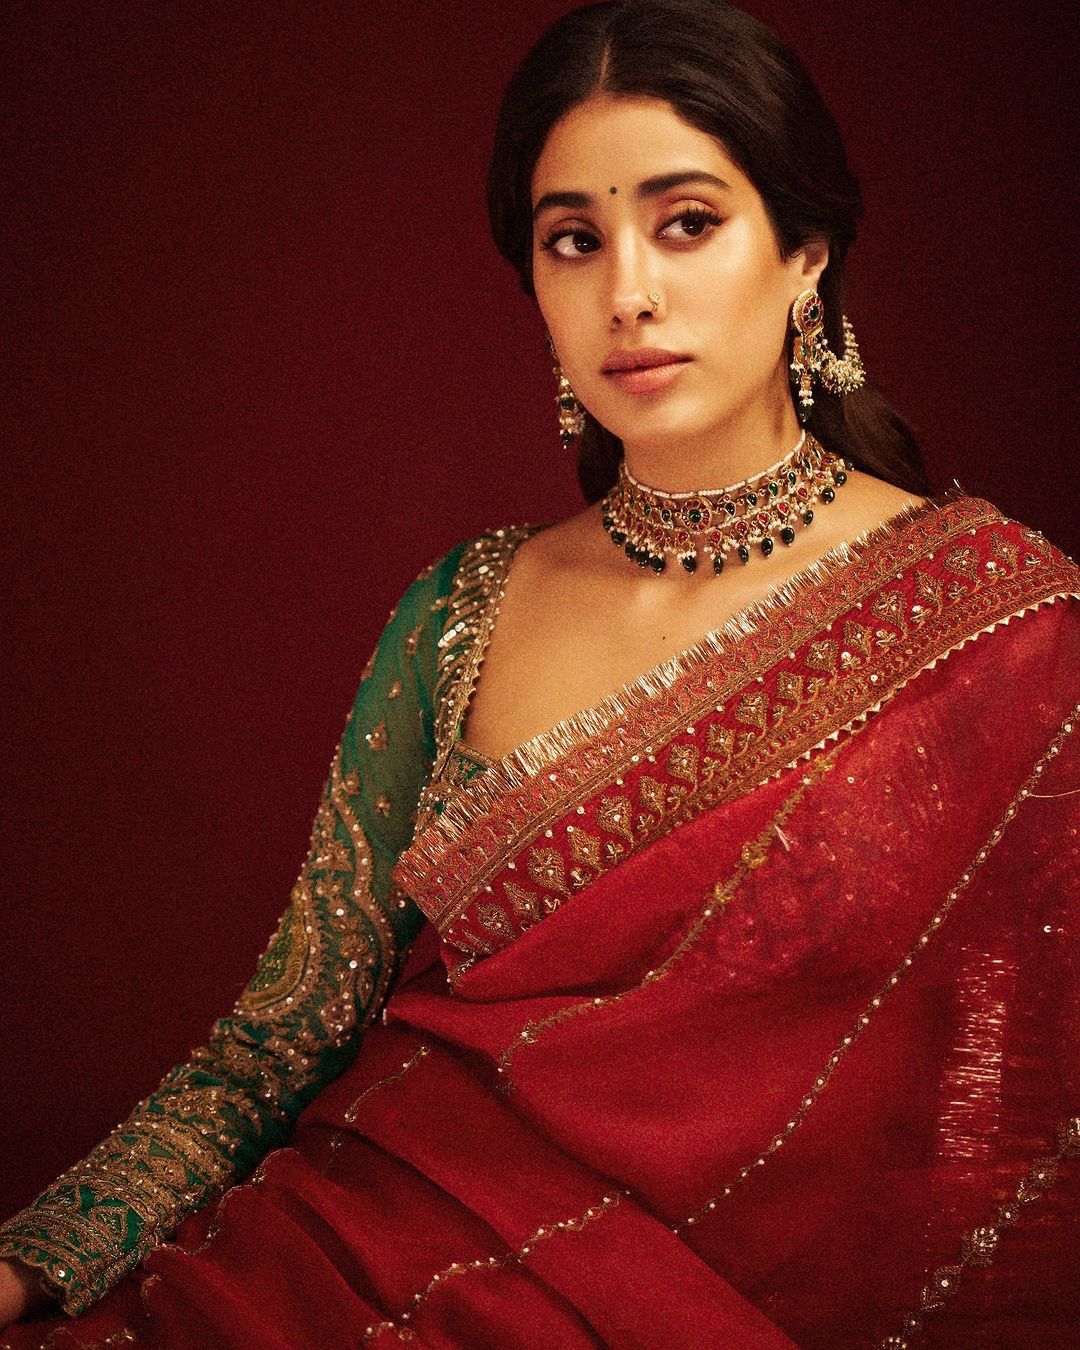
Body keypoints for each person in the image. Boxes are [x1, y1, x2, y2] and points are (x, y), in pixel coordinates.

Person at [2, 1, 1076, 1345]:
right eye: (574, 239)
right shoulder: (462, 612)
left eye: (687, 223)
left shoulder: (999, 630)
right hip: (352, 1283)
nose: (627, 292)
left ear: (805, 254)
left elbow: (1003, 1140)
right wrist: (35, 1259)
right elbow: (278, 1043)